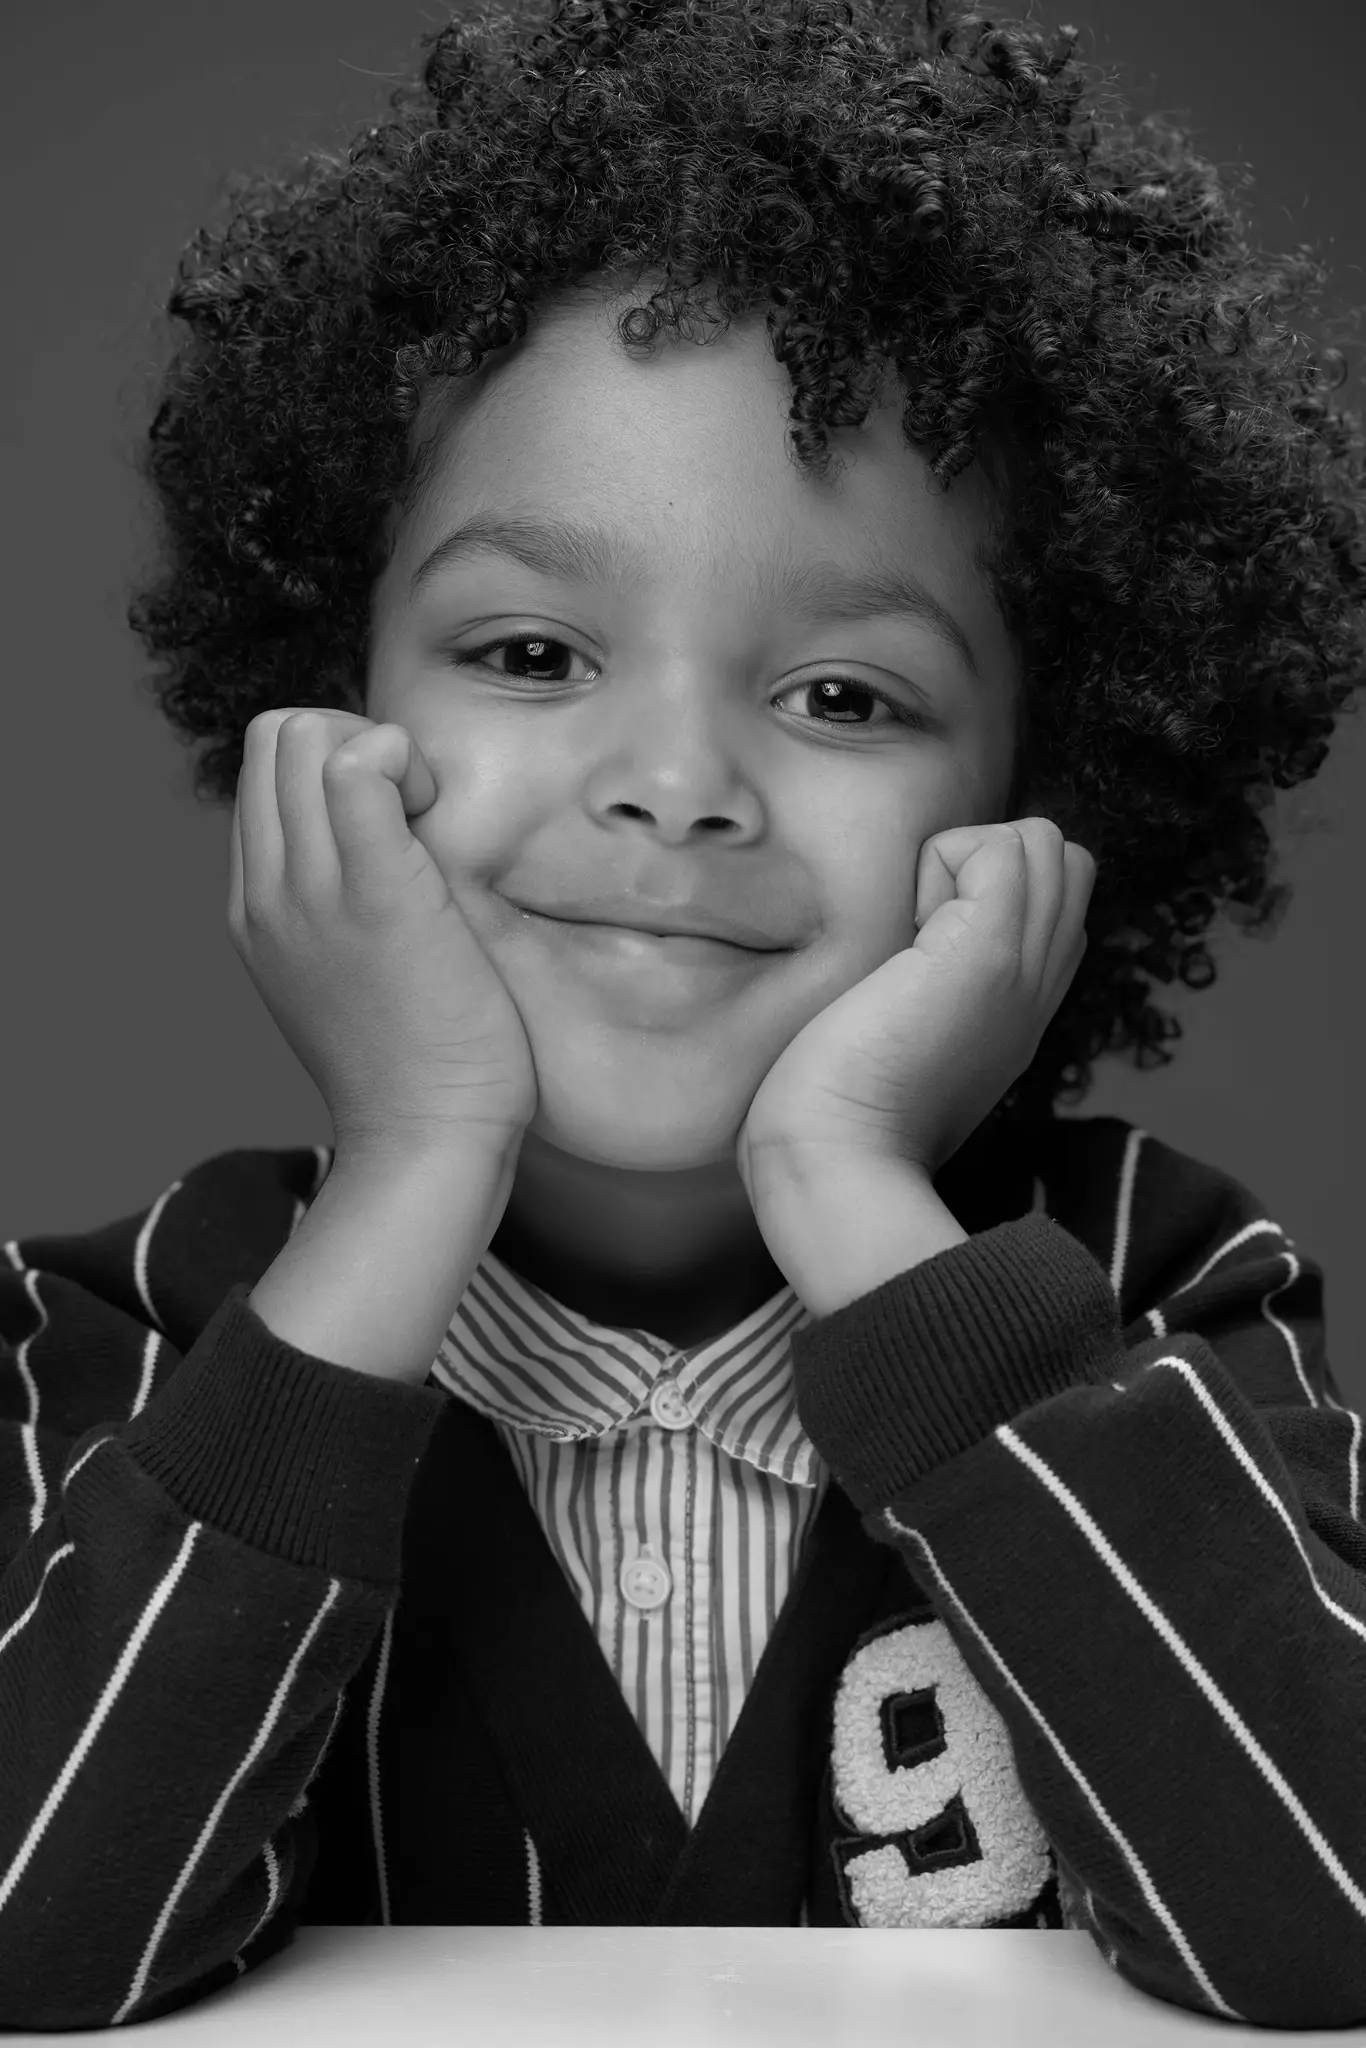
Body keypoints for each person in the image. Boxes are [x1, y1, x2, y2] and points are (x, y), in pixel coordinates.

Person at [2, 0, 1363, 2028]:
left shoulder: (1157, 1291)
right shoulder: (133, 1336)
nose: (673, 780)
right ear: (334, 714)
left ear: (1025, 814)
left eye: (841, 695)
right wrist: (407, 1171)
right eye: (532, 647)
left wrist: (847, 1184)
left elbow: (1329, 1930)